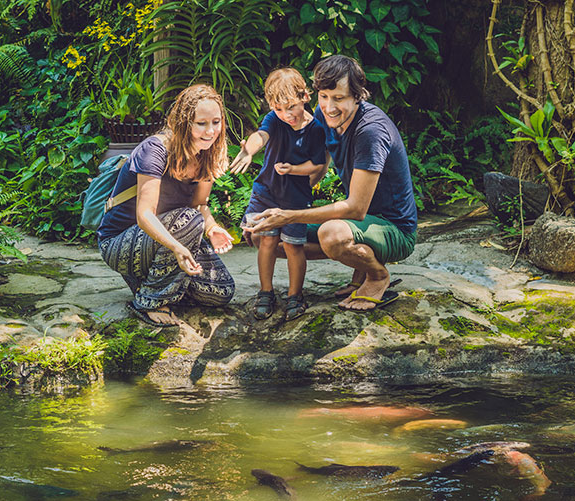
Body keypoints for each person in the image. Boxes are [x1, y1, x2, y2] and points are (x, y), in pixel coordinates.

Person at [246, 55, 418, 312]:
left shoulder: (370, 130)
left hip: (393, 229)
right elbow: (320, 165)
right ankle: (359, 264)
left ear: (358, 96)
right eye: (324, 96)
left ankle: (377, 275)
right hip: (359, 223)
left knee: (332, 235)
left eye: (339, 98)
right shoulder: (324, 115)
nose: (329, 106)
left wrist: (289, 216)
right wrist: (283, 199)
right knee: (260, 233)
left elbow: (356, 209)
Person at [97, 84, 236, 327]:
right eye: (201, 123)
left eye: (215, 122)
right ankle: (149, 300)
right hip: (119, 242)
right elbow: (145, 215)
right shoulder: (155, 150)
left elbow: (200, 205)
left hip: (172, 235)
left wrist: (212, 229)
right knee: (190, 221)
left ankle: (148, 280)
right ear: (184, 123)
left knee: (221, 291)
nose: (210, 131)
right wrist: (177, 248)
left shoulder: (207, 153)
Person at [230, 68, 326, 321]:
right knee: (267, 241)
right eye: (279, 109)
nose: (286, 115)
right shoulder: (274, 119)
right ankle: (266, 291)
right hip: (266, 192)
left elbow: (316, 165)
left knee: (294, 246)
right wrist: (249, 151)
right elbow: (260, 136)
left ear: (305, 96)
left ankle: (295, 295)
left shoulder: (316, 129)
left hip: (295, 198)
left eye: (291, 107)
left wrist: (293, 169)